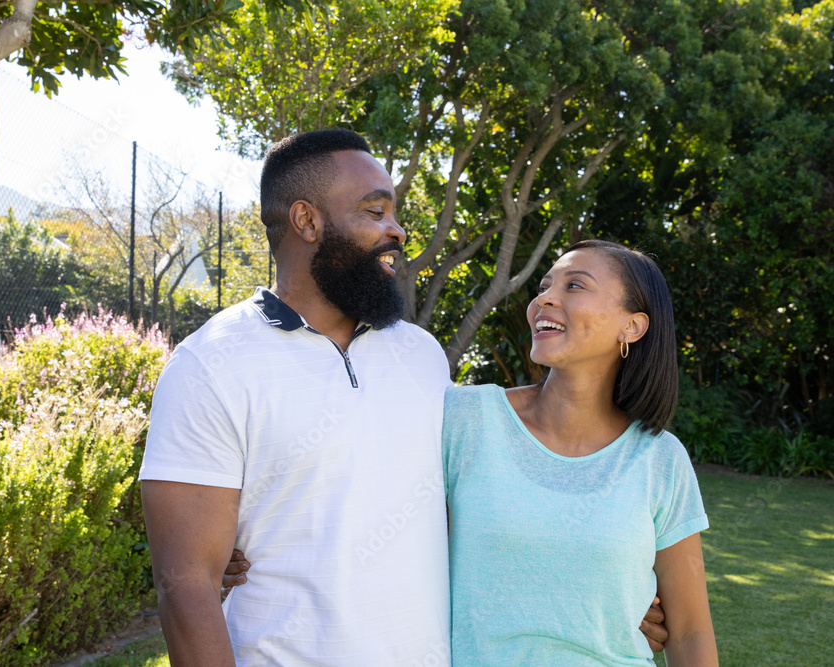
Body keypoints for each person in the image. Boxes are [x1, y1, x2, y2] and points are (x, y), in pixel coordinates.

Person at [141, 130, 668, 665]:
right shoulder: (210, 364)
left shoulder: (420, 354)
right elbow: (186, 584)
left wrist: (606, 591)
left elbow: (478, 509)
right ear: (307, 221)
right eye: (375, 212)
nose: (397, 230)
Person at [443, 239, 716, 664]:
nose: (544, 299)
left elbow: (689, 632)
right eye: (544, 287)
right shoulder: (464, 419)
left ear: (632, 326)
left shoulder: (661, 459)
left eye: (574, 286)